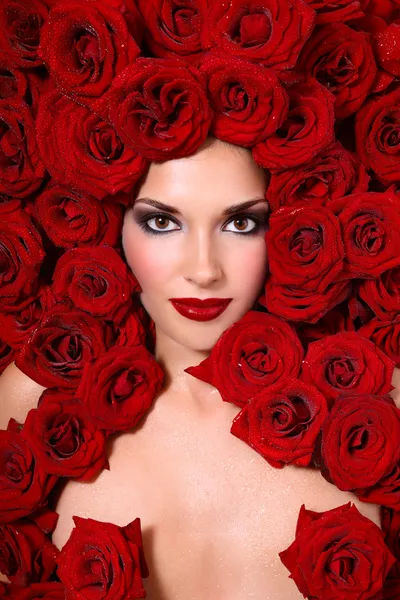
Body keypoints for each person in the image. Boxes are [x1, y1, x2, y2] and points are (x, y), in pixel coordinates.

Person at [0, 136, 392, 599]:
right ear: (110, 225)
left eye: (241, 222)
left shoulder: (381, 401)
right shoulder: (33, 401)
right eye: (162, 221)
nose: (204, 270)